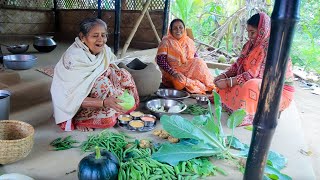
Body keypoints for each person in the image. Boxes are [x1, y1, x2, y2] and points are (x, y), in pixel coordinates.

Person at [51, 18, 140, 132]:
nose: (101, 40)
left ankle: (115, 107)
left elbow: (110, 63)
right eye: (95, 36)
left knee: (122, 74)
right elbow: (70, 97)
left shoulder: (104, 50)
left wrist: (111, 69)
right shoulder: (74, 58)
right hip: (72, 103)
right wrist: (104, 102)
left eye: (103, 35)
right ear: (83, 37)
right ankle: (81, 118)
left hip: (92, 93)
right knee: (102, 83)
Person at [214, 12, 295, 126]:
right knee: (229, 85)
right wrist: (224, 76)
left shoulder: (273, 47)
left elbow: (254, 76)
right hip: (256, 83)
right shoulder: (250, 45)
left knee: (249, 85)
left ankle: (246, 114)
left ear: (262, 30)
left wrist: (228, 82)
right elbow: (237, 65)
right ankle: (233, 106)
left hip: (278, 90)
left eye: (252, 32)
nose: (249, 36)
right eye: (248, 32)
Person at [156, 18, 215, 94]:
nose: (178, 30)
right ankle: (196, 84)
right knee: (179, 84)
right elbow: (160, 60)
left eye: (180, 27)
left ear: (184, 29)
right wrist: (174, 73)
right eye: (175, 28)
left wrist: (197, 68)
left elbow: (195, 57)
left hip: (188, 70)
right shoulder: (166, 41)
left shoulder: (189, 41)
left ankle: (209, 85)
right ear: (170, 30)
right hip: (172, 73)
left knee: (199, 62)